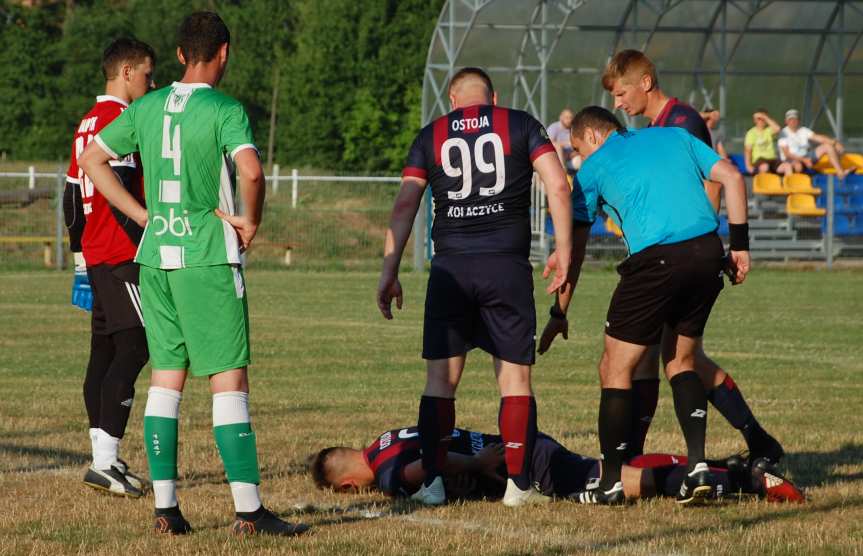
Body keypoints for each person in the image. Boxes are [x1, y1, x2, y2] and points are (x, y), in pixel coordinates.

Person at [79, 12, 307, 537]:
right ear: (223, 53)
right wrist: (251, 220)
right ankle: (249, 512)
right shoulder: (226, 108)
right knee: (228, 382)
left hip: (157, 255)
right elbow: (251, 170)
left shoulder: (149, 105)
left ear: (180, 55)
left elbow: (93, 161)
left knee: (166, 378)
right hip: (206, 254)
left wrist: (142, 217)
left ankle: (167, 509)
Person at [542, 49, 784, 473]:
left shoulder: (680, 122)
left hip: (677, 253)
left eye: (621, 93)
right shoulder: (654, 130)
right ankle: (741, 446)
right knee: (674, 358)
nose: (618, 103)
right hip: (694, 251)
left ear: (646, 83)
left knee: (668, 360)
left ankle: (629, 461)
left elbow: (711, 184)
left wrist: (719, 243)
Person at [376, 67, 573, 508]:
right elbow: (558, 185)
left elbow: (406, 202)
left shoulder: (432, 135)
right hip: (507, 266)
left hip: (451, 270)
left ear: (452, 101)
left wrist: (389, 270)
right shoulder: (519, 123)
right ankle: (519, 487)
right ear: (494, 97)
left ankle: (431, 484)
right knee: (515, 379)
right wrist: (563, 251)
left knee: (440, 382)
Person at [545, 106, 752, 505]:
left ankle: (610, 483)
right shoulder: (672, 136)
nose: (580, 158)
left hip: (656, 261)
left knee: (614, 366)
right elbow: (731, 176)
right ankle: (697, 468)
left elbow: (575, 253)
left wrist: (559, 313)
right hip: (708, 251)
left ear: (590, 137)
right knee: (680, 361)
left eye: (578, 149)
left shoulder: (592, 168)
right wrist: (739, 247)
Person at [64, 37, 155, 499]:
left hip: (98, 256)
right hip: (121, 254)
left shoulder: (86, 123)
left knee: (104, 351)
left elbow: (69, 199)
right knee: (136, 346)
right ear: (125, 73)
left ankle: (104, 457)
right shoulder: (119, 119)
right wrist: (147, 239)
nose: (150, 82)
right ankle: (104, 462)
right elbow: (117, 188)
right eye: (146, 74)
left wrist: (80, 259)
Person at [310, 425, 803, 504]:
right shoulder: (386, 438)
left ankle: (743, 479)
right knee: (607, 469)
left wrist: (478, 462)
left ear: (349, 486)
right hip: (521, 441)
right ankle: (721, 466)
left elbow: (420, 469)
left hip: (523, 464)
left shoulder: (390, 470)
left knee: (618, 485)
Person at [779, 109, 854, 178]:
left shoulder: (804, 130)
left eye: (795, 119)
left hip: (806, 156)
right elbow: (787, 154)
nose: (793, 121)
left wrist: (835, 143)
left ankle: (840, 172)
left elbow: (819, 138)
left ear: (799, 120)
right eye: (790, 120)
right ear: (786, 121)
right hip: (791, 160)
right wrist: (804, 160)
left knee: (828, 146)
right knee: (798, 166)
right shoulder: (784, 133)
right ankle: (795, 186)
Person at [744, 109, 793, 177]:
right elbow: (748, 151)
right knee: (765, 167)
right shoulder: (751, 133)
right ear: (755, 120)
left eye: (763, 118)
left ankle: (789, 186)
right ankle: (765, 186)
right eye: (759, 119)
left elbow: (778, 129)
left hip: (772, 160)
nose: (762, 121)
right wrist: (748, 166)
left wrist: (765, 117)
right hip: (759, 160)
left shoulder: (769, 130)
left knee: (787, 166)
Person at [547, 108, 581, 173]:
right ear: (561, 117)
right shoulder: (554, 127)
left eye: (571, 118)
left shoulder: (575, 129)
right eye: (566, 117)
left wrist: (574, 153)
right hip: (555, 158)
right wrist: (566, 144)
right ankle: (562, 170)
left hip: (571, 158)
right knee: (557, 146)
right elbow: (548, 143)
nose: (569, 120)